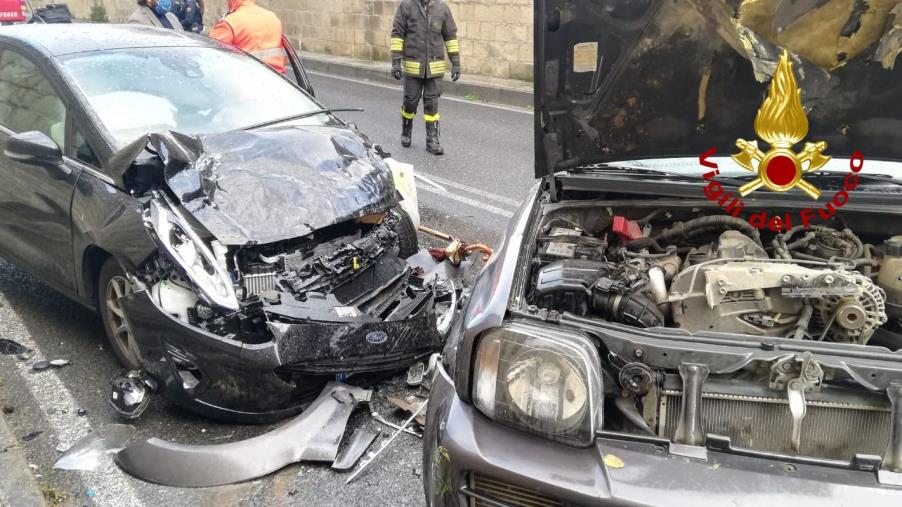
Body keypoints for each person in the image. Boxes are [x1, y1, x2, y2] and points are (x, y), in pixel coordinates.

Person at [391, 0, 460, 155]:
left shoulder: (442, 8)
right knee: (410, 101)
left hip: (434, 69)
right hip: (413, 67)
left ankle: (432, 140)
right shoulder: (406, 6)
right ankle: (406, 130)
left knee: (432, 104)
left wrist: (455, 63)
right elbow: (397, 35)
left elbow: (451, 37)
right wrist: (396, 63)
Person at [209, 0, 285, 74]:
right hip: (277, 81)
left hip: (245, 81)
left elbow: (212, 59)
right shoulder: (272, 17)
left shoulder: (229, 23)